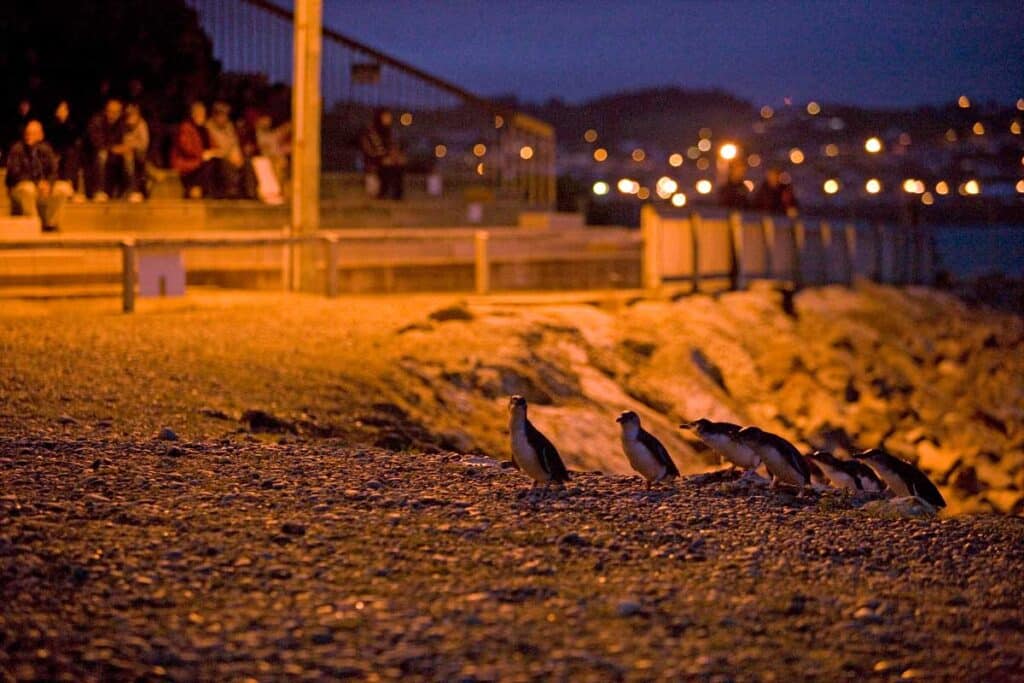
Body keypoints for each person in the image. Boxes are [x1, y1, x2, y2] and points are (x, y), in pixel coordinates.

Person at [5, 120, 71, 232]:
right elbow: (15, 175)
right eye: (28, 133)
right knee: (28, 188)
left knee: (63, 188)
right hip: (20, 188)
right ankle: (33, 223)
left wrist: (48, 184)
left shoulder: (46, 149)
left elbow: (53, 172)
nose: (29, 136)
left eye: (33, 133)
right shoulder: (17, 149)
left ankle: (50, 223)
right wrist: (37, 183)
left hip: (42, 187)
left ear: (41, 135)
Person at [206, 101, 255, 199]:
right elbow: (216, 147)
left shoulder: (229, 126)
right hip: (219, 157)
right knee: (224, 163)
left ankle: (250, 193)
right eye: (222, 115)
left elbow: (234, 142)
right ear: (216, 116)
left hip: (232, 155)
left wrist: (237, 154)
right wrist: (229, 155)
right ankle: (232, 192)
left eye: (226, 115)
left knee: (247, 161)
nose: (225, 118)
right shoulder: (209, 127)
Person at [170, 101, 215, 199]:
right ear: (193, 114)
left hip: (203, 161)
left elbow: (213, 145)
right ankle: (197, 189)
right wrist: (202, 154)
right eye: (198, 113)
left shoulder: (204, 129)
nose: (201, 116)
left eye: (203, 113)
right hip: (188, 163)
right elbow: (186, 147)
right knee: (208, 164)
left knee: (216, 162)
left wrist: (215, 152)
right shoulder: (186, 128)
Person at [84, 98, 124, 201]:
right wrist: (112, 148)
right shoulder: (97, 121)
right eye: (110, 111)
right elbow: (96, 142)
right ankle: (99, 191)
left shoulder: (122, 123)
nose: (112, 115)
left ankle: (131, 191)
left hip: (115, 154)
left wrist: (122, 148)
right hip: (94, 154)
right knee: (102, 154)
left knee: (129, 154)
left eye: (115, 112)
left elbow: (125, 140)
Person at [360, 109, 405, 200]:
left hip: (388, 160)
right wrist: (383, 157)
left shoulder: (391, 132)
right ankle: (382, 191)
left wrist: (395, 156)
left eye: (389, 117)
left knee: (398, 164)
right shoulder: (369, 132)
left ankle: (397, 194)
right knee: (387, 165)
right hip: (373, 162)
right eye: (385, 117)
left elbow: (394, 146)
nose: (388, 120)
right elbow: (369, 151)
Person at [48, 100, 82, 198]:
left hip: (69, 152)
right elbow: (51, 142)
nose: (62, 112)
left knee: (71, 155)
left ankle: (70, 185)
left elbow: (73, 141)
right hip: (55, 151)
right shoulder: (52, 125)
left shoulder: (72, 125)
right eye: (60, 109)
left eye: (64, 110)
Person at [120, 103, 149, 201]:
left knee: (133, 161)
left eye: (134, 113)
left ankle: (135, 190)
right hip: (123, 153)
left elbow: (144, 144)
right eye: (129, 113)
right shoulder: (122, 125)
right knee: (127, 160)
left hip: (138, 153)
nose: (131, 116)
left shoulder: (142, 125)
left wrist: (132, 146)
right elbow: (119, 141)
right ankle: (130, 190)